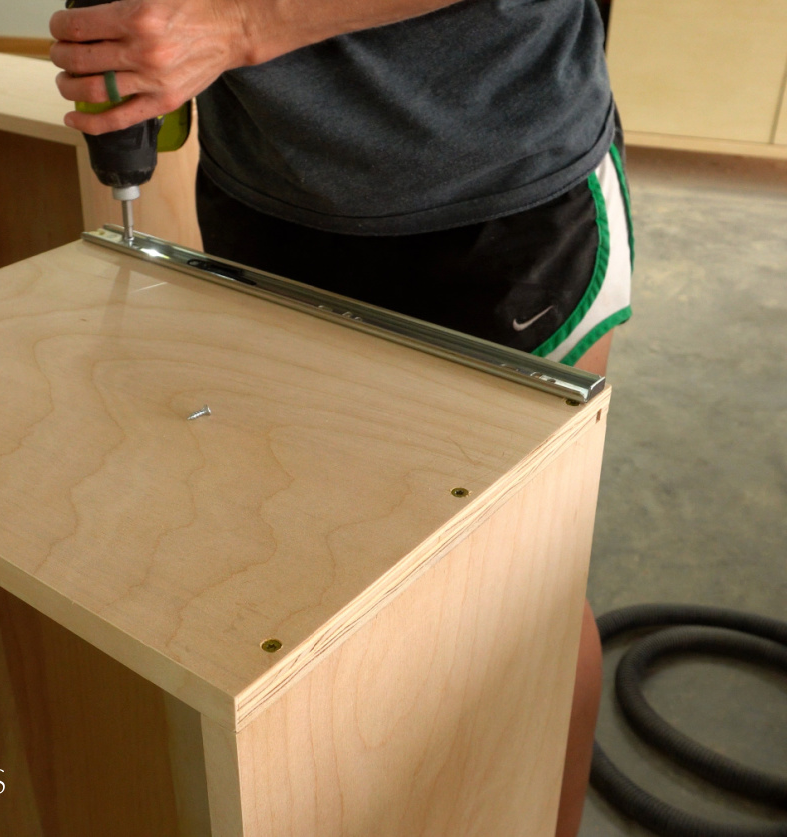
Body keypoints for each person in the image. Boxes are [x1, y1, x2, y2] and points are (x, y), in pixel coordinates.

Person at [49, 2, 630, 834]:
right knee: (301, 559)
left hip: (494, 201)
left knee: (515, 598)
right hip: (265, 192)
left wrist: (242, 25)